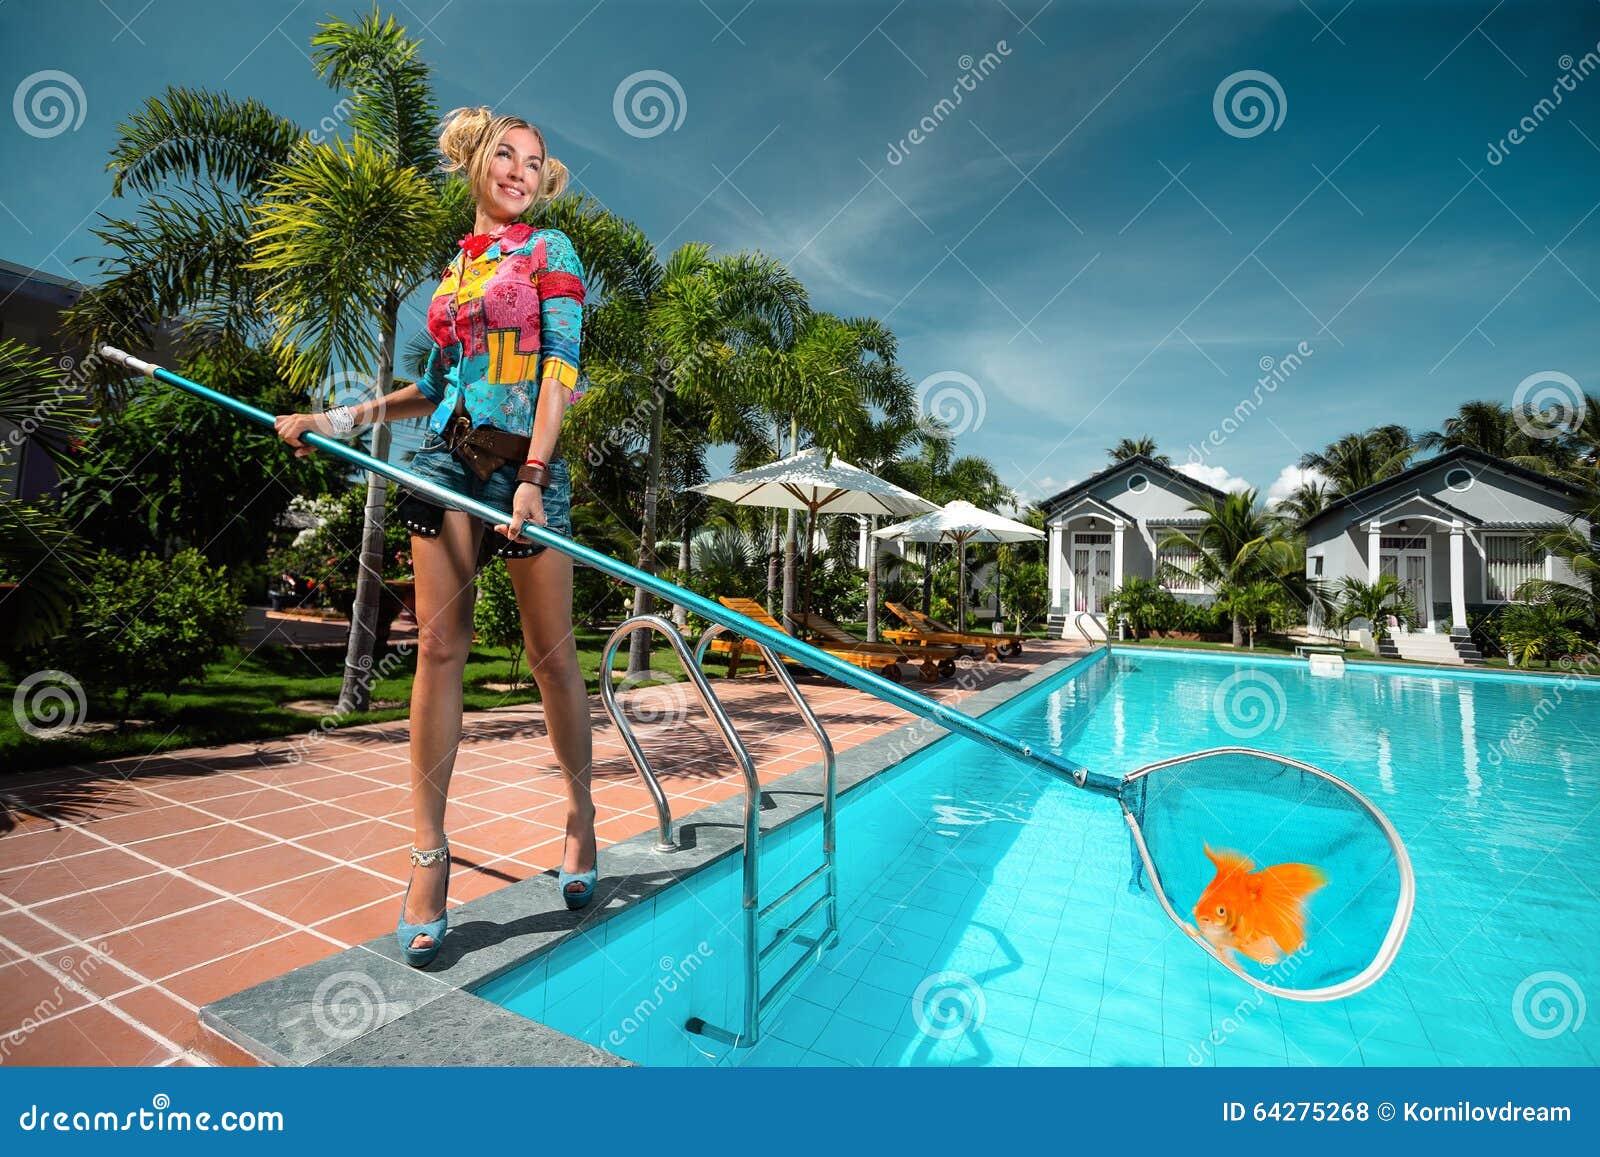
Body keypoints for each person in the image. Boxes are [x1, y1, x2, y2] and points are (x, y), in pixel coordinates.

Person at [273, 106, 596, 968]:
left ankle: (581, 812)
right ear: (479, 163)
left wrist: (533, 475)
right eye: (507, 154)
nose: (521, 171)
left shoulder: (549, 253)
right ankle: (428, 852)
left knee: (550, 657)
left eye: (535, 161)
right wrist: (337, 415)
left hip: (526, 469)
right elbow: (433, 385)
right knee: (439, 649)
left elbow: (559, 368)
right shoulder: (454, 270)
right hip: (448, 462)